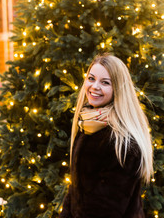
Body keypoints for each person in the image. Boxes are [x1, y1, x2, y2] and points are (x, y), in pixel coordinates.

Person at [59, 54, 154, 218]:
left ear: (118, 89)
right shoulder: (87, 126)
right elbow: (75, 193)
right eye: (91, 78)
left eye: (105, 82)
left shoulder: (123, 143)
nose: (94, 86)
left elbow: (106, 210)